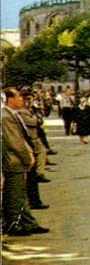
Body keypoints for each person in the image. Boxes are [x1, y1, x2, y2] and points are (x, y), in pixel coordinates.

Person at [2, 87, 49, 235]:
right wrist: (28, 158)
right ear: (11, 99)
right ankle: (13, 225)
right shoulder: (5, 117)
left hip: (16, 160)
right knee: (15, 194)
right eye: (19, 97)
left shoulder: (11, 114)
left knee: (21, 193)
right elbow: (14, 142)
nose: (22, 99)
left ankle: (28, 223)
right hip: (13, 160)